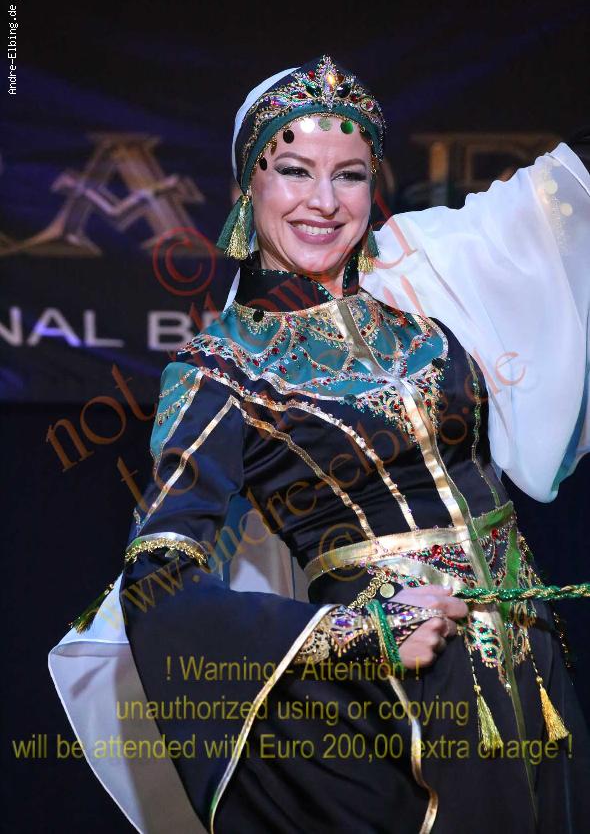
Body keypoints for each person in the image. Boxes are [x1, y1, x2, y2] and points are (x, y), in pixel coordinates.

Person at [49, 56, 590, 834]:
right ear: (248, 186)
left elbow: (552, 213)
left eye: (350, 175)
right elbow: (156, 578)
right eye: (296, 170)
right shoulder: (221, 369)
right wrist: (360, 635)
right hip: (399, 704)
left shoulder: (425, 308)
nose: (325, 201)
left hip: (534, 672)